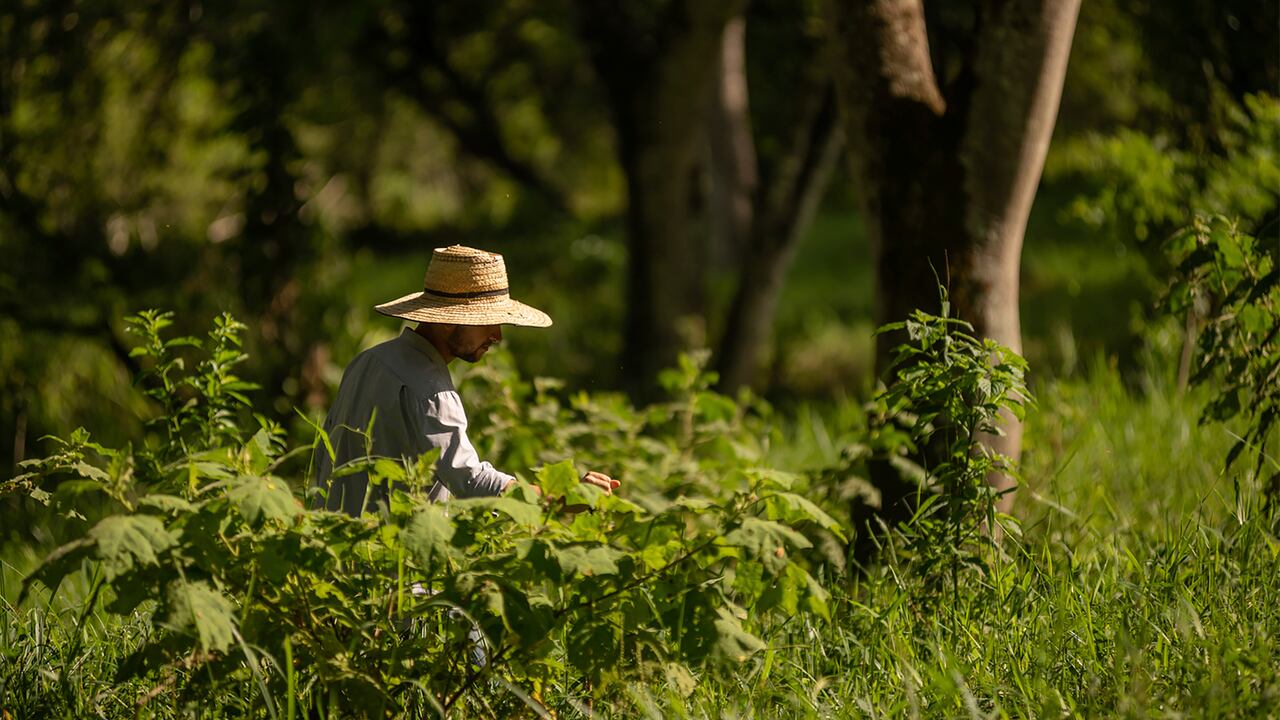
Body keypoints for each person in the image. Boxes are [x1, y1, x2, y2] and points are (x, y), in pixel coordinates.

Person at [311, 244, 617, 515]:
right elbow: (474, 484)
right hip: (393, 570)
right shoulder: (431, 391)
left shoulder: (367, 361)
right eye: (486, 322)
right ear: (446, 321)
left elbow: (324, 458)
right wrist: (564, 498)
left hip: (340, 558)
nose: (497, 335)